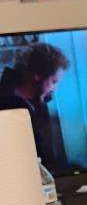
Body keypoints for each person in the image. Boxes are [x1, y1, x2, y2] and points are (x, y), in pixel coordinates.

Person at [0, 43, 69, 171]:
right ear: (38, 75)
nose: (55, 88)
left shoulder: (38, 100)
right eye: (53, 82)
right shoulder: (7, 107)